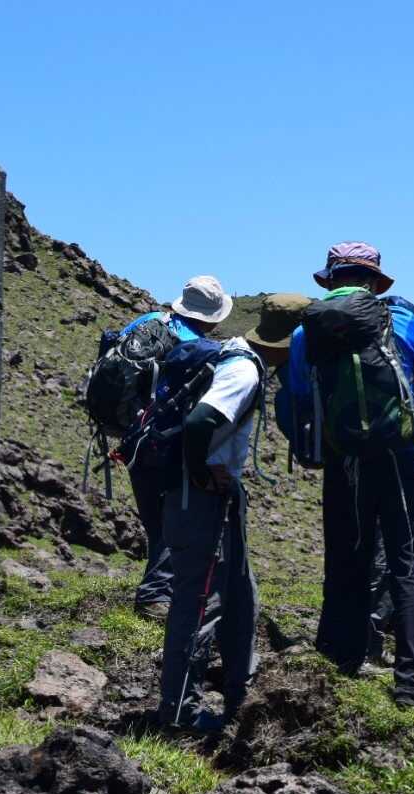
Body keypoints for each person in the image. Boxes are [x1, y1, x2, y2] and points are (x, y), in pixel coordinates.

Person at [295, 243, 414, 706]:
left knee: (347, 558)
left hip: (345, 460)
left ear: (329, 280)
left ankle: (339, 662)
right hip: (405, 458)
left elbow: (300, 395)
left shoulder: (306, 331)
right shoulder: (400, 321)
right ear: (375, 282)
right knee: (410, 564)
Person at [156, 294, 304, 733]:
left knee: (239, 594)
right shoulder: (244, 371)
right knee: (200, 602)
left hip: (217, 495)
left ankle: (242, 694)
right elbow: (201, 422)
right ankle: (179, 714)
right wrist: (202, 472)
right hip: (200, 498)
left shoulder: (237, 356)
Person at [116, 276, 233, 618]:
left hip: (133, 438)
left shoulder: (148, 322)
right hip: (166, 445)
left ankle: (160, 590)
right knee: (172, 521)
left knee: (155, 521)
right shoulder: (199, 348)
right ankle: (155, 597)